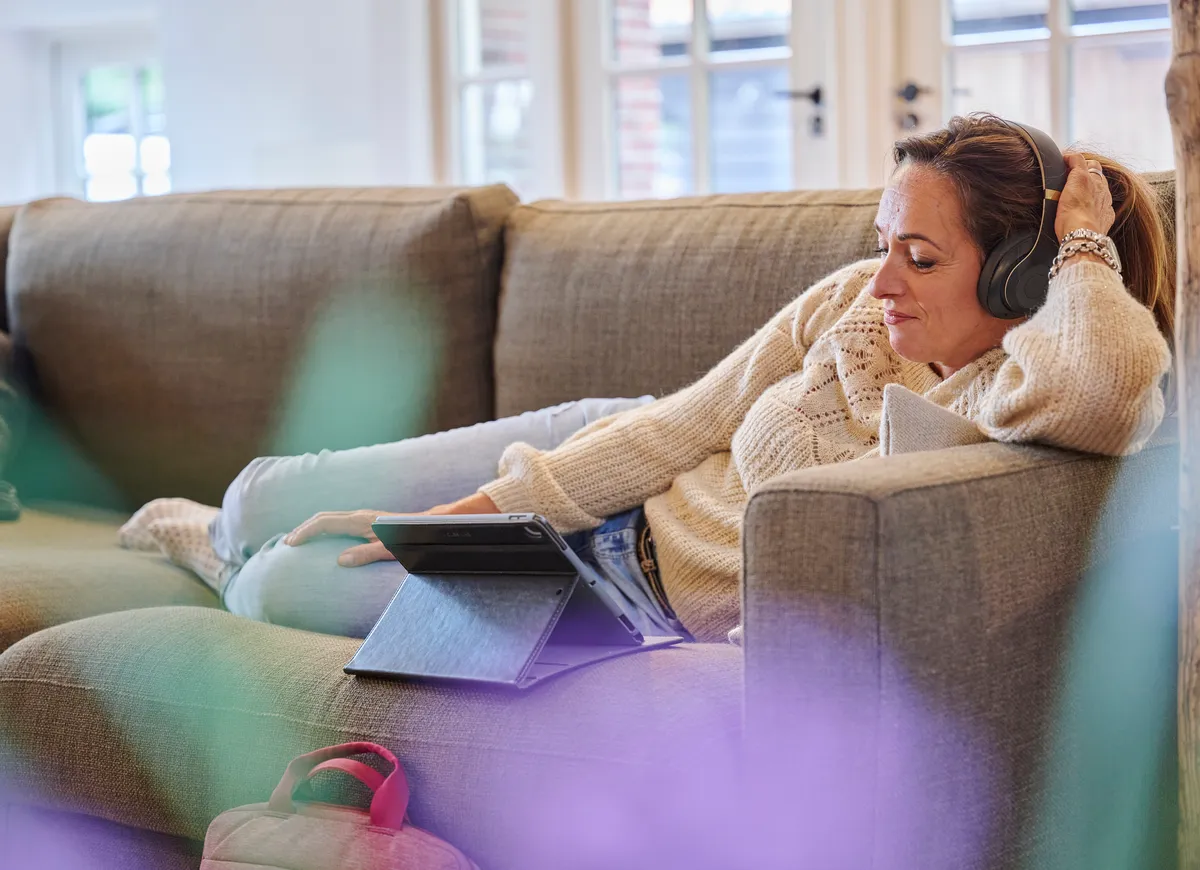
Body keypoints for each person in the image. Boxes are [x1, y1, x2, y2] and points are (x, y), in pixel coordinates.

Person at [120, 114, 1174, 644]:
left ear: (1019, 270)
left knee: (276, 585)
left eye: (923, 258)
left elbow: (1113, 390)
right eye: (883, 240)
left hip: (615, 594)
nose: (883, 281)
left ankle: (216, 557)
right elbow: (690, 420)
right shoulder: (857, 299)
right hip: (616, 449)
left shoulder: (1013, 391)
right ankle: (220, 522)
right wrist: (460, 519)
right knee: (267, 495)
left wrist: (1081, 242)